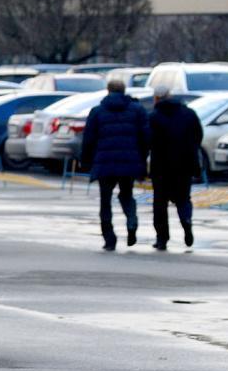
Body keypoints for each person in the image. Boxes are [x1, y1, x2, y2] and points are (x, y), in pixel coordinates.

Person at [78, 76, 151, 251]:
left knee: (105, 200)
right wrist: (142, 159)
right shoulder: (137, 110)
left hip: (105, 163)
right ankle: (131, 221)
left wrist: (86, 161)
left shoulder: (97, 111)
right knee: (126, 195)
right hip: (129, 162)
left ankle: (109, 238)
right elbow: (146, 137)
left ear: (108, 91)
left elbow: (89, 139)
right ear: (124, 91)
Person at [147, 83, 203, 250]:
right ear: (170, 95)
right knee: (183, 199)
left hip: (161, 166)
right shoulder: (188, 114)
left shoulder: (154, 117)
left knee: (160, 203)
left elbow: (148, 141)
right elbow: (198, 136)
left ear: (156, 98)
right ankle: (186, 221)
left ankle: (162, 238)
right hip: (185, 164)